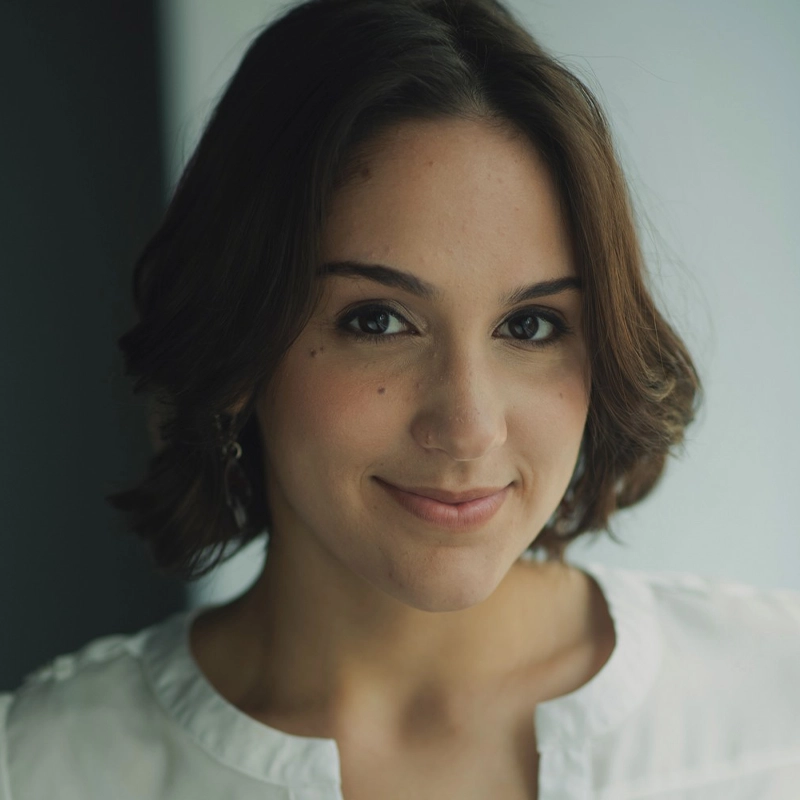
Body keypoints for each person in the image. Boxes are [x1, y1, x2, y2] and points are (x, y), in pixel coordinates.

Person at [1, 0, 798, 797]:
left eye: (530, 325)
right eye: (378, 320)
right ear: (237, 342)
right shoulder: (42, 770)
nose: (469, 428)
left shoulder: (774, 708)